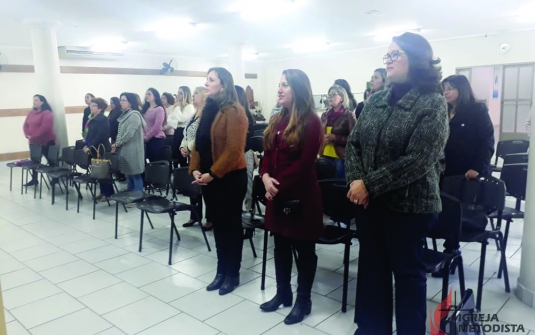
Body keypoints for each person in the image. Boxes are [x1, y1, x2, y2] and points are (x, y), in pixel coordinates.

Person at [345, 32, 448, 335]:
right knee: (372, 271)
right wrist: (355, 182)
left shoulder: (433, 103)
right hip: (369, 204)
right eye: (386, 56)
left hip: (409, 207)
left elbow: (419, 160)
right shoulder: (376, 100)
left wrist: (369, 185)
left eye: (395, 55)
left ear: (416, 60)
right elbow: (353, 145)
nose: (387, 61)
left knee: (407, 276)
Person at [259, 69, 324, 325]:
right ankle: (282, 293)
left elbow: (304, 164)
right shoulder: (276, 119)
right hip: (276, 194)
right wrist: (264, 177)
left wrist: (276, 186)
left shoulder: (311, 121)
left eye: (284, 85)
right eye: (279, 84)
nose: (279, 89)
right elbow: (266, 155)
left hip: (301, 198)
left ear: (298, 89)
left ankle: (303, 300)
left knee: (304, 251)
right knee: (280, 247)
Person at [190, 67, 248, 296]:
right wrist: (195, 168)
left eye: (211, 80)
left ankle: (232, 273)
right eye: (206, 79)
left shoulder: (234, 111)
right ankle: (221, 270)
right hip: (209, 179)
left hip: (230, 179)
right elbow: (198, 143)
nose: (206, 83)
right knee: (218, 228)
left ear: (223, 85)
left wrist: (212, 173)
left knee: (231, 228)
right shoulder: (208, 109)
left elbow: (234, 150)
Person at [442, 75, 495, 179]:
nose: (445, 93)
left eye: (450, 89)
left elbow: (486, 140)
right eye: (444, 89)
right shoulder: (442, 110)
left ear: (462, 89)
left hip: (469, 170)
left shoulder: (477, 109)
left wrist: (477, 168)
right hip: (446, 168)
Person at [181, 87, 213, 230]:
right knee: (193, 187)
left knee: (206, 188)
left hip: (202, 155)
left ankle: (210, 218)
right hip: (191, 157)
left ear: (203, 96)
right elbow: (186, 134)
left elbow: (202, 137)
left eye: (195, 94)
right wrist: (183, 147)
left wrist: (191, 148)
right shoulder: (193, 115)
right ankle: (195, 215)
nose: (192, 96)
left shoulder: (207, 115)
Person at [112, 93, 146, 192]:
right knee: (128, 175)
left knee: (135, 175)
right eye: (120, 100)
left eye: (124, 100)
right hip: (125, 150)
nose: (121, 102)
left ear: (130, 103)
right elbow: (120, 132)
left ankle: (138, 197)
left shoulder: (134, 115)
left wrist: (118, 143)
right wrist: (117, 143)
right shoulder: (125, 115)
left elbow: (129, 134)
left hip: (134, 150)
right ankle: (130, 195)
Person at [82, 98, 114, 201]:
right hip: (93, 148)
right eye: (91, 105)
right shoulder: (91, 118)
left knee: (104, 171)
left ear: (100, 108)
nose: (91, 107)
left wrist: (90, 145)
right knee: (98, 171)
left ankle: (109, 194)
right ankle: (102, 191)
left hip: (102, 148)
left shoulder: (103, 119)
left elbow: (102, 135)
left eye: (94, 105)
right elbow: (89, 134)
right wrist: (86, 144)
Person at [321, 84, 356, 178]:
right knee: (325, 185)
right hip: (324, 154)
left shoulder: (349, 115)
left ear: (341, 97)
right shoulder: (325, 115)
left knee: (338, 185)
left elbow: (354, 139)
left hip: (340, 156)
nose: (330, 97)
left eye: (333, 94)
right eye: (329, 95)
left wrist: (336, 138)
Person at [23, 94, 57, 186]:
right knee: (34, 161)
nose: (34, 102)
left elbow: (45, 128)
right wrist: (27, 134)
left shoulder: (47, 113)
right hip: (33, 142)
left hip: (46, 141)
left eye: (36, 100)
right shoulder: (31, 113)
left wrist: (33, 136)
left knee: (51, 161)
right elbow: (25, 125)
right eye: (33, 100)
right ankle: (34, 179)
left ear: (42, 102)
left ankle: (54, 178)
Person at [235, 85, 256, 212]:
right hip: (233, 155)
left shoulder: (247, 115)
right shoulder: (228, 114)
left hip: (244, 153)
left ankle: (247, 212)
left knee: (247, 186)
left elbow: (247, 141)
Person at [141, 88, 166, 162]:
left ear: (155, 96)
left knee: (155, 162)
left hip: (156, 139)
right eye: (146, 94)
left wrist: (147, 137)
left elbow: (157, 126)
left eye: (149, 94)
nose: (146, 96)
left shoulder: (159, 109)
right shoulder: (145, 108)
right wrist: (143, 136)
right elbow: (142, 124)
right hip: (145, 139)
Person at [173, 86, 195, 168]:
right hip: (176, 131)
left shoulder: (189, 107)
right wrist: (176, 122)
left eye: (181, 93)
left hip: (183, 132)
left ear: (186, 95)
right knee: (175, 156)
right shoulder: (178, 107)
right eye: (178, 93)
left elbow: (182, 119)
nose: (178, 95)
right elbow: (170, 121)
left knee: (182, 158)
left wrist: (177, 108)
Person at [108, 97, 125, 182]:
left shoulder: (120, 112)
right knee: (115, 156)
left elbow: (118, 125)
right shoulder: (111, 112)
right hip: (112, 136)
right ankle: (117, 172)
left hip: (118, 136)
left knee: (120, 156)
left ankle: (122, 174)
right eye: (110, 103)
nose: (111, 105)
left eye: (113, 103)